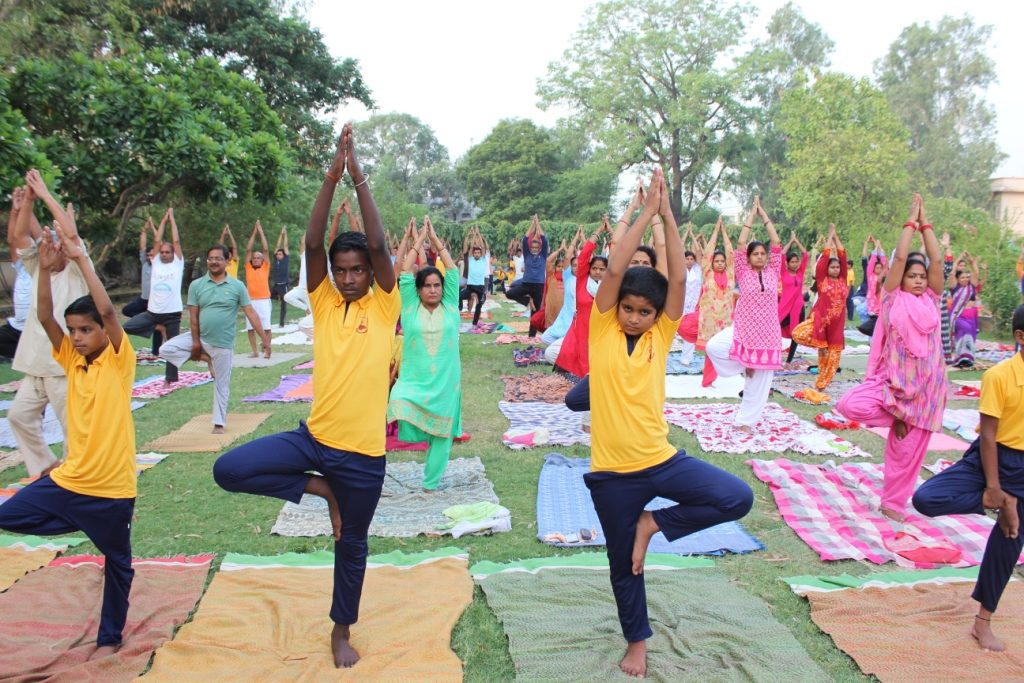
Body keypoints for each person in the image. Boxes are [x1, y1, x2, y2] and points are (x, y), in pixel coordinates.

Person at [213, 124, 398, 669]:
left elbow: (382, 243)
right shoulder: (322, 301)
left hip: (364, 457)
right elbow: (313, 243)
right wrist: (329, 175)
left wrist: (358, 176)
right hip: (313, 441)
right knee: (230, 469)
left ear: (370, 272)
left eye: (356, 270)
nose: (346, 279)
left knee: (352, 547)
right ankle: (323, 493)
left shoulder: (383, 305)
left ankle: (341, 629)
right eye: (341, 272)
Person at [569, 169, 752, 678]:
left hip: (662, 460)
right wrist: (643, 212)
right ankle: (637, 642)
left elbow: (675, 276)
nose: (632, 317)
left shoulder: (661, 335)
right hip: (611, 474)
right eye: (627, 308)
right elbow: (613, 274)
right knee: (623, 564)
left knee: (737, 497)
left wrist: (667, 215)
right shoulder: (604, 328)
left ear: (656, 316)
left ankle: (655, 524)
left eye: (642, 311)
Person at [0, 212, 137, 661]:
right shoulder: (70, 358)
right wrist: (42, 264)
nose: (77, 338)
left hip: (113, 491)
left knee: (118, 565)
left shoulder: (118, 361)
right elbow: (43, 315)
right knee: (10, 514)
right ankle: (79, 520)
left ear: (103, 331)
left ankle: (110, 638)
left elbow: (111, 312)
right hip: (70, 482)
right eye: (74, 331)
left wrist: (80, 258)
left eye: (86, 330)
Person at [912, 304, 1024, 652]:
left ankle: (983, 621)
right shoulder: (1000, 376)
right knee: (926, 499)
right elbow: (989, 436)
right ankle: (1004, 503)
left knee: (1009, 541)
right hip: (991, 458)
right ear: (1020, 337)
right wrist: (993, 490)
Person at [837, 194, 948, 521]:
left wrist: (926, 225)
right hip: (893, 387)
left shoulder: (931, 299)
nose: (917, 280)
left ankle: (893, 504)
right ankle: (897, 413)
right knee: (849, 404)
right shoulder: (891, 298)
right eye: (912, 275)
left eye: (921, 276)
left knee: (907, 453)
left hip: (927, 390)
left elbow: (938, 263)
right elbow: (899, 258)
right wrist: (909, 224)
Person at [8, 170, 91, 476]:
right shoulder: (39, 270)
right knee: (18, 416)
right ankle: (45, 467)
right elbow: (18, 238)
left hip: (64, 367)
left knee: (74, 429)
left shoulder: (77, 272)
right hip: (36, 367)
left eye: (55, 246)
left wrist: (43, 193)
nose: (49, 248)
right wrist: (25, 203)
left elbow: (70, 236)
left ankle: (76, 477)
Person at [159, 244, 270, 434]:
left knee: (221, 384)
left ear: (227, 261)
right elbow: (193, 317)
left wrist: (265, 340)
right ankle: (206, 358)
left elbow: (250, 312)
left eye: (218, 258)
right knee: (165, 349)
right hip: (200, 337)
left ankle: (219, 423)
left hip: (223, 344)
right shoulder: (197, 285)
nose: (214, 262)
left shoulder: (237, 286)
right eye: (210, 258)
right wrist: (195, 343)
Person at [388, 221, 462, 490]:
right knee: (396, 401)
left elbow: (452, 270)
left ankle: (431, 484)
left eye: (437, 285)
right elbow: (405, 271)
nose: (433, 290)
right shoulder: (409, 306)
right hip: (414, 381)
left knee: (441, 435)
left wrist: (436, 240)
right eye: (427, 286)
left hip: (446, 382)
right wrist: (418, 240)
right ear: (418, 290)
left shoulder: (450, 304)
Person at [705, 197, 782, 430]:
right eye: (755, 254)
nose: (759, 256)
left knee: (758, 382)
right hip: (742, 331)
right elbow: (740, 243)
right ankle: (742, 362)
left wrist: (764, 215)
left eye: (762, 254)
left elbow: (776, 241)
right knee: (713, 347)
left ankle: (746, 421)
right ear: (748, 258)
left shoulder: (773, 271)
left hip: (768, 334)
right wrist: (751, 214)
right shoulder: (743, 272)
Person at [123, 207, 184, 384]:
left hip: (172, 314)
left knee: (171, 348)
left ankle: (170, 379)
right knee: (128, 326)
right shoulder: (155, 262)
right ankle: (157, 328)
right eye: (162, 252)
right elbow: (157, 240)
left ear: (173, 254)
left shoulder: (177, 264)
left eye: (167, 252)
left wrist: (172, 220)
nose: (164, 254)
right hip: (153, 312)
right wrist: (163, 222)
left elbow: (176, 240)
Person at [679, 217, 735, 387]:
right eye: (716, 261)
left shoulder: (731, 273)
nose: (719, 263)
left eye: (722, 261)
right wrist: (716, 231)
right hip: (707, 319)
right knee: (681, 325)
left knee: (714, 351)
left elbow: (730, 251)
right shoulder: (707, 273)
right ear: (711, 262)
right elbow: (708, 250)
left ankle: (708, 380)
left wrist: (724, 232)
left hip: (724, 321)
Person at [790, 224, 848, 390]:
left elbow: (843, 257)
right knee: (799, 334)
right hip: (821, 321)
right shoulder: (822, 279)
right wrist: (829, 239)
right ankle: (819, 350)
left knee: (834, 355)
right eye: (833, 267)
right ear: (827, 269)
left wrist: (836, 238)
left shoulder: (843, 279)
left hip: (837, 326)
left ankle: (822, 383)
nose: (836, 269)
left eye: (838, 267)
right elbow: (823, 261)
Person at [552, 219, 610, 372]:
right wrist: (597, 232)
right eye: (595, 268)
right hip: (583, 328)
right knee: (581, 363)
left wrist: (611, 231)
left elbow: (620, 254)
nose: (597, 272)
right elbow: (584, 255)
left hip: (604, 329)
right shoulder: (582, 282)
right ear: (589, 270)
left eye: (602, 269)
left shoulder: (610, 285)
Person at [0, 188, 34, 360]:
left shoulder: (46, 270)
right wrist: (15, 211)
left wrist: (28, 203)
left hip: (38, 333)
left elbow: (21, 236)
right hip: (18, 328)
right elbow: (13, 241)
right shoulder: (22, 267)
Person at [505, 216, 548, 336]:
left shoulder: (543, 255)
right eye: (532, 247)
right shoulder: (527, 255)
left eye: (536, 247)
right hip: (526, 284)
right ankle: (527, 300)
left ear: (539, 248)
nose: (534, 249)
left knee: (535, 312)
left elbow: (544, 239)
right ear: (530, 248)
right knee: (509, 293)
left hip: (539, 285)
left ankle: (531, 336)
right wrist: (532, 224)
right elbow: (525, 239)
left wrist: (537, 223)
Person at [778, 231, 809, 364]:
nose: (795, 264)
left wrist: (797, 242)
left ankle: (789, 360)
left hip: (798, 307)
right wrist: (790, 242)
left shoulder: (800, 272)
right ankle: (774, 355)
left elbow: (806, 254)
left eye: (797, 262)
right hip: (784, 306)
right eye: (793, 262)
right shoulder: (784, 272)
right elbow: (782, 255)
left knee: (795, 334)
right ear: (787, 263)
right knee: (776, 329)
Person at [244, 220, 272, 358]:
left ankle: (267, 349)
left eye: (258, 258)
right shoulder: (248, 267)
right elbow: (248, 250)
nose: (255, 259)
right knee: (250, 328)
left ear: (262, 260)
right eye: (254, 258)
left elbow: (266, 249)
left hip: (264, 300)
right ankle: (255, 351)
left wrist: (260, 231)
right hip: (250, 301)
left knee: (266, 327)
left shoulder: (265, 267)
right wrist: (254, 232)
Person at [677, 223, 704, 367]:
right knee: (673, 329)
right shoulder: (679, 268)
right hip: (679, 303)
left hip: (693, 305)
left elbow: (699, 251)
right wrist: (686, 233)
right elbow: (679, 247)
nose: (689, 261)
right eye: (686, 258)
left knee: (689, 331)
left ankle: (686, 358)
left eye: (691, 259)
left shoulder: (697, 270)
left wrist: (693, 235)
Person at [949, 250, 981, 368]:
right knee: (965, 329)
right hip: (958, 316)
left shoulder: (970, 287)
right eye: (962, 277)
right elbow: (952, 273)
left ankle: (965, 358)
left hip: (971, 317)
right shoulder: (954, 287)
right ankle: (963, 357)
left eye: (967, 277)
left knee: (970, 335)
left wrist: (972, 261)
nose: (965, 279)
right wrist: (958, 260)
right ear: (958, 279)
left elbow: (976, 272)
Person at [121, 217, 156, 318]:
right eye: (148, 255)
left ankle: (151, 321)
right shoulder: (145, 262)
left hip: (155, 301)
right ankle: (146, 319)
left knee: (157, 330)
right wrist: (144, 230)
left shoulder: (160, 265)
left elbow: (159, 242)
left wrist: (153, 227)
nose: (150, 257)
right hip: (143, 299)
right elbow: (142, 247)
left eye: (152, 255)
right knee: (127, 310)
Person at [461, 226, 489, 326]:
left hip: (480, 287)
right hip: (470, 285)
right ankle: (457, 312)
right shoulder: (471, 259)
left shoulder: (483, 259)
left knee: (479, 305)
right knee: (459, 297)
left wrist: (478, 234)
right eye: (475, 253)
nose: (477, 254)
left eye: (478, 253)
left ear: (481, 254)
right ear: (473, 254)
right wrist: (473, 237)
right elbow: (472, 247)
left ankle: (474, 323)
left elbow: (483, 247)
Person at [271, 226, 291, 328]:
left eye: (280, 254)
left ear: (283, 255)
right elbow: (277, 246)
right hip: (276, 285)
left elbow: (285, 245)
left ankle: (281, 323)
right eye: (277, 254)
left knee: (284, 303)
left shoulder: (286, 259)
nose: (278, 255)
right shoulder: (276, 260)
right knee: (266, 296)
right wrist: (280, 234)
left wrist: (285, 234)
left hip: (284, 285)